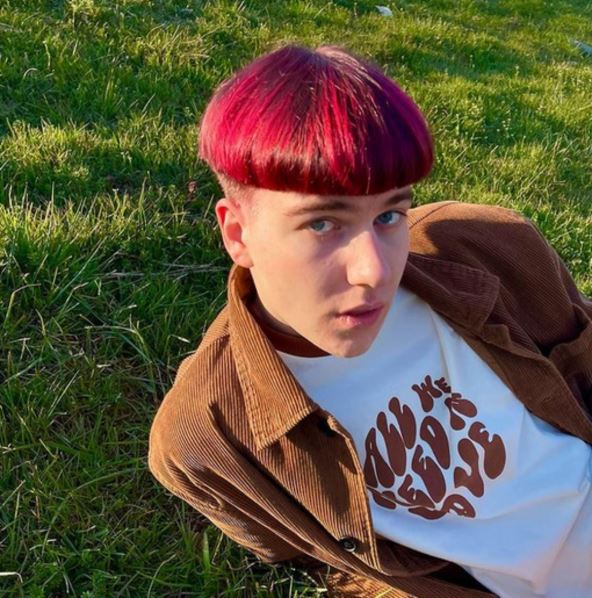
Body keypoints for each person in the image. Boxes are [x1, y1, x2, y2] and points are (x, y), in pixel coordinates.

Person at [148, 44, 592, 597]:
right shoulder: (205, 438)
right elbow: (309, 554)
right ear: (238, 234)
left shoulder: (494, 249)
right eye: (322, 224)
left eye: (389, 215)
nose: (374, 270)